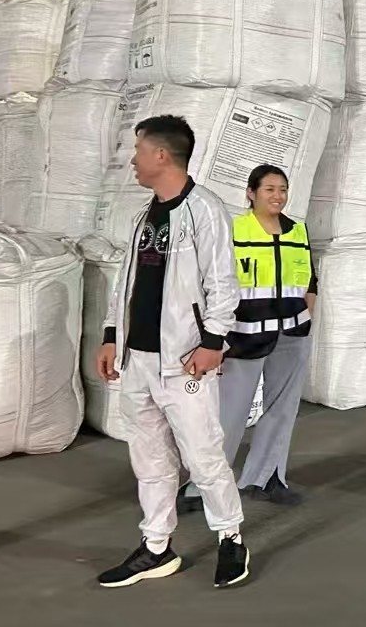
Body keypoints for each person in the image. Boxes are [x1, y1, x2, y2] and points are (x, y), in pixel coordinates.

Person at [94, 114, 251, 589]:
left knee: (203, 456)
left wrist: (213, 342)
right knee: (149, 459)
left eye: (139, 151)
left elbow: (223, 283)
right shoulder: (144, 215)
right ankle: (156, 546)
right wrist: (111, 335)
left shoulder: (205, 210)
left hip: (184, 361)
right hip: (139, 359)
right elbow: (126, 283)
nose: (134, 161)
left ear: (162, 155)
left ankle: (231, 538)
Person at [181, 165, 315, 512]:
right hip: (244, 338)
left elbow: (310, 280)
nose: (278, 196)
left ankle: (267, 478)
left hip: (291, 335)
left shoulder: (297, 231)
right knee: (229, 415)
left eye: (282, 189)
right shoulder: (234, 231)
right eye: (269, 189)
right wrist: (214, 338)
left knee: (282, 410)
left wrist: (307, 315)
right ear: (251, 193)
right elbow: (212, 283)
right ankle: (203, 487)